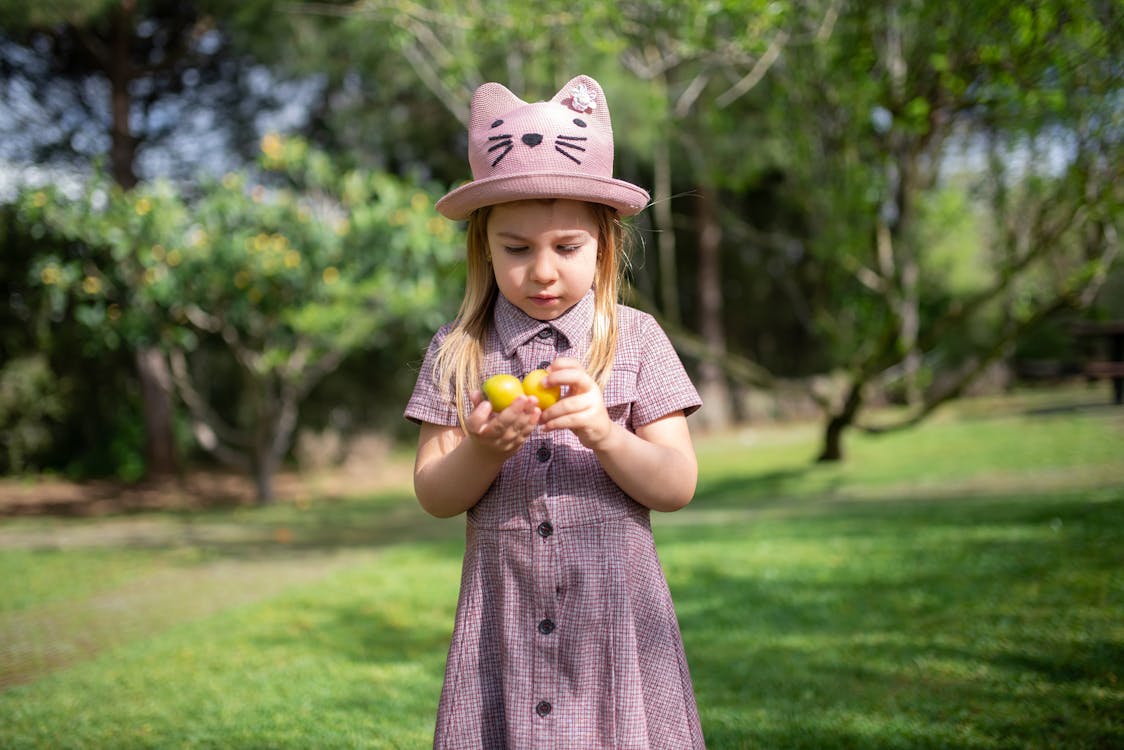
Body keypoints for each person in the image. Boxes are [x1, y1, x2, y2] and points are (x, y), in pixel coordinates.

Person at [405, 74, 706, 749]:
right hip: (504, 622)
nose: (542, 272)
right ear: (483, 246)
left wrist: (604, 433)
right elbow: (432, 492)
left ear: (606, 245)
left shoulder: (637, 339)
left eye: (566, 249)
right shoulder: (458, 353)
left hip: (615, 627)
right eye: (517, 249)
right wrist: (483, 450)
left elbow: (677, 484)